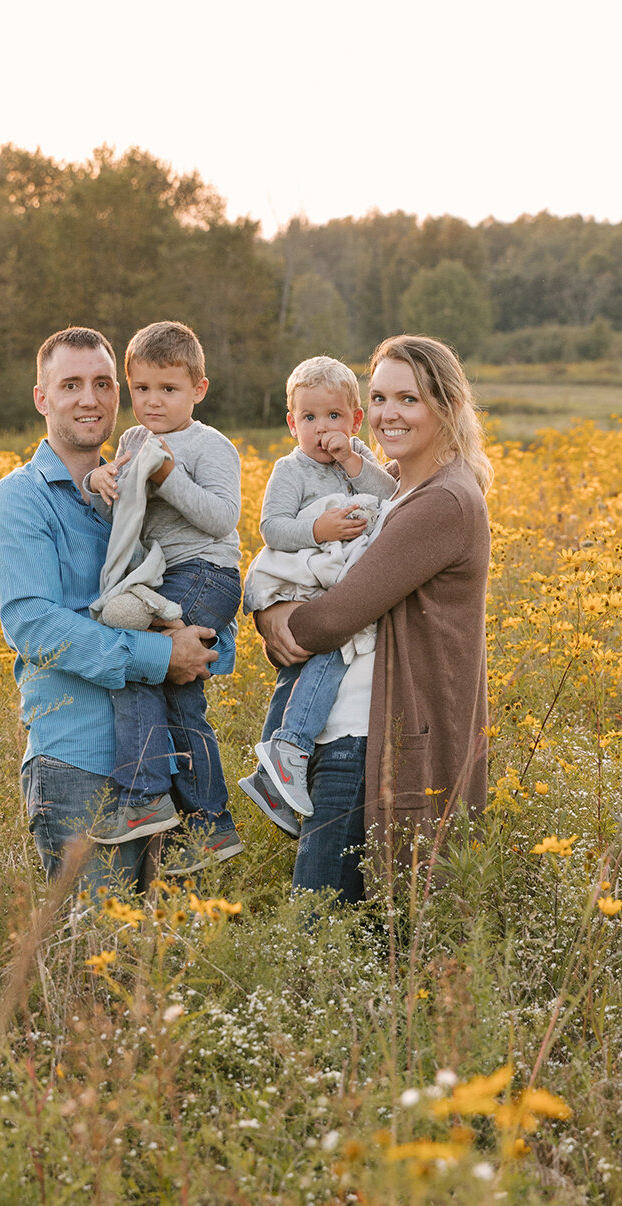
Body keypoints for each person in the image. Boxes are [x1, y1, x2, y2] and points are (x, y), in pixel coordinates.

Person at [0, 326, 219, 897]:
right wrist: (162, 656)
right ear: (42, 398)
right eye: (71, 384)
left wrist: (210, 641)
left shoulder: (136, 488)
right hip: (79, 764)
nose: (90, 398)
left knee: (159, 970)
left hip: (163, 765)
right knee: (98, 966)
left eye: (103, 383)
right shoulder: (20, 499)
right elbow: (33, 623)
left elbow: (190, 580)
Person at [252, 335, 491, 904]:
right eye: (379, 397)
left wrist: (276, 614)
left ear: (447, 404)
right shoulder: (391, 486)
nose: (388, 414)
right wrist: (273, 613)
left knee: (319, 931)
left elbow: (334, 618)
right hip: (345, 729)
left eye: (407, 399)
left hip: (371, 737)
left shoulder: (442, 501)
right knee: (344, 933)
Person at [80, 321, 244, 872]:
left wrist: (168, 470)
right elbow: (124, 510)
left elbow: (222, 519)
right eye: (143, 389)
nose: (153, 402)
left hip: (205, 574)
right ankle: (204, 826)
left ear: (198, 388)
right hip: (159, 577)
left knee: (141, 666)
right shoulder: (130, 442)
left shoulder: (209, 445)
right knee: (173, 693)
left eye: (168, 389)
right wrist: (97, 484)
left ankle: (144, 797)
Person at [239, 356, 398, 834]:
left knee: (303, 671)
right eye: (309, 418)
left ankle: (274, 775)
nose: (321, 429)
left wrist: (353, 459)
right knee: (313, 661)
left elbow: (391, 495)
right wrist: (317, 528)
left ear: (355, 421)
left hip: (335, 581)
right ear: (292, 424)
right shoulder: (291, 470)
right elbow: (272, 528)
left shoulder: (361, 462)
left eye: (333, 417)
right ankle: (286, 750)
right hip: (303, 577)